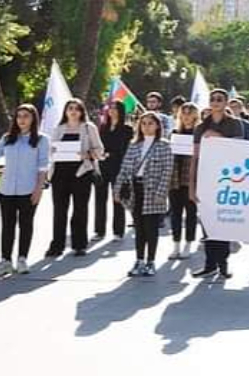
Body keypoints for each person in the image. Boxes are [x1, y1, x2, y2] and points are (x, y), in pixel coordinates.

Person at [0, 104, 51, 276]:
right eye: (19, 116)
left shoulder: (42, 140)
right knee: (7, 226)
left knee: (26, 225)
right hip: (6, 190)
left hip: (28, 190)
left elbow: (43, 167)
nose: (22, 119)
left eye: (26, 116)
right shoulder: (8, 138)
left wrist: (39, 189)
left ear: (33, 119)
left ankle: (22, 259)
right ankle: (5, 261)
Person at [190, 89, 243, 279]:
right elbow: (195, 158)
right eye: (212, 99)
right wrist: (191, 185)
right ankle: (209, 264)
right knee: (207, 224)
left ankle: (223, 264)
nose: (215, 102)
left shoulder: (235, 124)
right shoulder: (200, 127)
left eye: (220, 99)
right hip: (206, 178)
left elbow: (238, 149)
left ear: (226, 102)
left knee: (224, 222)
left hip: (228, 178)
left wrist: (217, 137)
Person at [116, 111, 173, 277]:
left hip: (153, 191)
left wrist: (161, 192)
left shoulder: (164, 145)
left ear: (157, 126)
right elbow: (125, 168)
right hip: (135, 190)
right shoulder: (134, 144)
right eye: (143, 123)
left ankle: (151, 261)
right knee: (139, 228)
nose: (147, 126)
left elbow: (167, 170)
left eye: (150, 123)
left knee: (151, 228)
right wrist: (117, 189)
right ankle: (139, 260)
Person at [46, 99, 104, 258]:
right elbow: (50, 151)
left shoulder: (88, 127)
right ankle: (57, 245)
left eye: (77, 109)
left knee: (80, 210)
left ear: (82, 111)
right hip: (59, 174)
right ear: (65, 111)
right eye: (70, 108)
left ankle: (79, 244)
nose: (73, 111)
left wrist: (88, 154)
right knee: (59, 211)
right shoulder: (58, 129)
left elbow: (100, 150)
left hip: (81, 173)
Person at [95, 100, 133, 242]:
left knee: (118, 199)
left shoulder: (127, 129)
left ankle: (118, 231)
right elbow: (98, 145)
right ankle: (99, 231)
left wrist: (110, 154)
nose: (111, 110)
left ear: (121, 111)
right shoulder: (103, 127)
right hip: (102, 166)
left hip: (118, 167)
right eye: (110, 108)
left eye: (115, 108)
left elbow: (125, 150)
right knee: (100, 199)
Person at [168, 102, 199, 261]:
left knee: (191, 213)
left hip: (191, 179)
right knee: (175, 214)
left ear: (195, 115)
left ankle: (188, 243)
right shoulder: (173, 132)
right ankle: (176, 245)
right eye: (184, 113)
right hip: (174, 178)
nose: (186, 116)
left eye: (190, 112)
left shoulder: (199, 133)